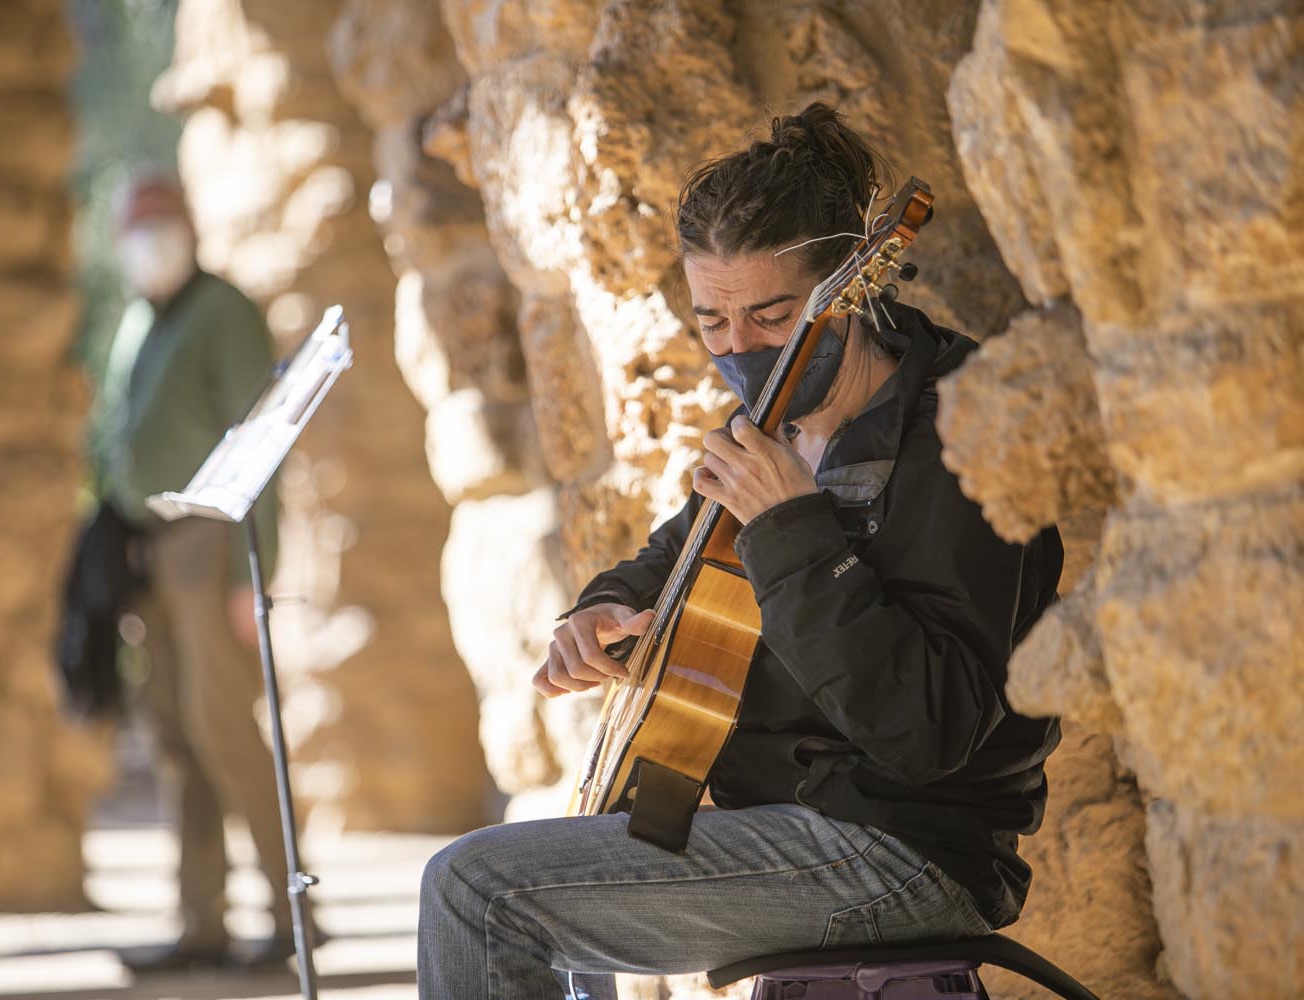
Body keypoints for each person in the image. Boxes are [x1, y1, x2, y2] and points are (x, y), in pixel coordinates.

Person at [416, 104, 1063, 998]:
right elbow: (681, 551)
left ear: (848, 288)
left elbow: (928, 732)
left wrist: (793, 527)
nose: (739, 348)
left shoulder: (965, 435)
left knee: (476, 892)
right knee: (547, 876)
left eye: (770, 316)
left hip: (903, 846)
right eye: (712, 321)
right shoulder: (772, 423)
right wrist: (601, 609)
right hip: (790, 818)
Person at [90, 170, 304, 970]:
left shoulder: (224, 311)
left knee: (225, 729)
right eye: (136, 219)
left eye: (163, 215)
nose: (150, 232)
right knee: (177, 738)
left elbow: (261, 446)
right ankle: (200, 923)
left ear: (189, 221)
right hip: (149, 554)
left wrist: (254, 574)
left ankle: (294, 916)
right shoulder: (139, 319)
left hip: (208, 549)